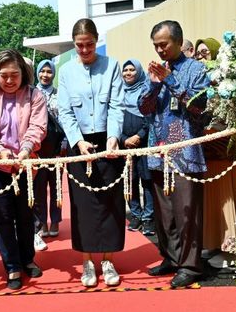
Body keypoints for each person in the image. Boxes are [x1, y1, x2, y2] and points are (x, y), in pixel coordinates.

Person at [139, 20, 210, 289]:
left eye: (163, 44)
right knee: (164, 213)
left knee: (186, 212)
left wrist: (170, 80)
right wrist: (155, 84)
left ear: (179, 42)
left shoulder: (196, 68)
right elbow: (144, 109)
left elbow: (199, 105)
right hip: (158, 149)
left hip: (186, 151)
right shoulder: (156, 71)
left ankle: (190, 266)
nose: (159, 50)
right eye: (155, 45)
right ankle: (170, 258)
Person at [57, 18, 125, 287]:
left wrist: (113, 137)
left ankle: (108, 259)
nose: (84, 50)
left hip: (108, 141)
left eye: (89, 45)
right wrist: (78, 141)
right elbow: (65, 110)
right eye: (79, 46)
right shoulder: (66, 72)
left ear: (97, 41)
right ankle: (87, 261)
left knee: (110, 202)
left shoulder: (112, 66)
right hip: (80, 145)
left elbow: (117, 105)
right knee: (83, 206)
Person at [0, 49, 47, 290]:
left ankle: (27, 259)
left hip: (26, 164)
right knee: (3, 218)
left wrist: (26, 149)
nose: (9, 81)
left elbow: (38, 127)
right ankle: (12, 266)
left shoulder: (34, 96)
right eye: (4, 75)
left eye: (14, 75)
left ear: (23, 74)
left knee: (26, 216)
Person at [193, 37, 236, 264]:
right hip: (207, 149)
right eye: (198, 53)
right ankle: (213, 243)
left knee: (227, 198)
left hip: (225, 148)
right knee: (210, 198)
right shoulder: (199, 81)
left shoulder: (228, 79)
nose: (201, 56)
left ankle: (232, 248)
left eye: (205, 52)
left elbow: (235, 112)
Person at [119, 59, 154, 236]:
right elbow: (115, 118)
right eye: (125, 70)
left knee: (147, 180)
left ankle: (148, 218)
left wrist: (139, 136)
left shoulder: (146, 90)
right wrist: (124, 139)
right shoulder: (119, 93)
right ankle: (135, 214)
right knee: (130, 181)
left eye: (132, 69)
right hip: (125, 145)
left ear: (139, 71)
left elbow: (150, 117)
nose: (128, 73)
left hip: (144, 142)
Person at [32, 60, 63, 249]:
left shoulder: (60, 93)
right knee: (39, 187)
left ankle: (56, 220)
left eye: (49, 71)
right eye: (42, 71)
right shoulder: (32, 93)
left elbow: (66, 117)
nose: (45, 75)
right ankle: (41, 221)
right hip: (38, 148)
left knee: (56, 185)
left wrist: (66, 142)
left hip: (57, 147)